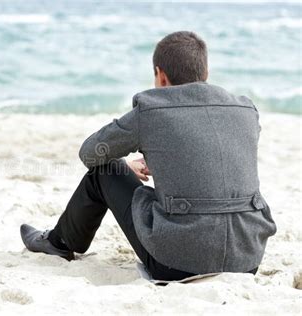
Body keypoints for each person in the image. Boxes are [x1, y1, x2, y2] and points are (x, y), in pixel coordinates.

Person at [20, 31, 277, 281]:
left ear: (160, 76)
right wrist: (169, 161)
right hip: (246, 259)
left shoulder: (152, 110)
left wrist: (126, 165)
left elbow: (90, 153)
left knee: (106, 170)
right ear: (206, 73)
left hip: (176, 264)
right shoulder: (245, 110)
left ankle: (59, 242)